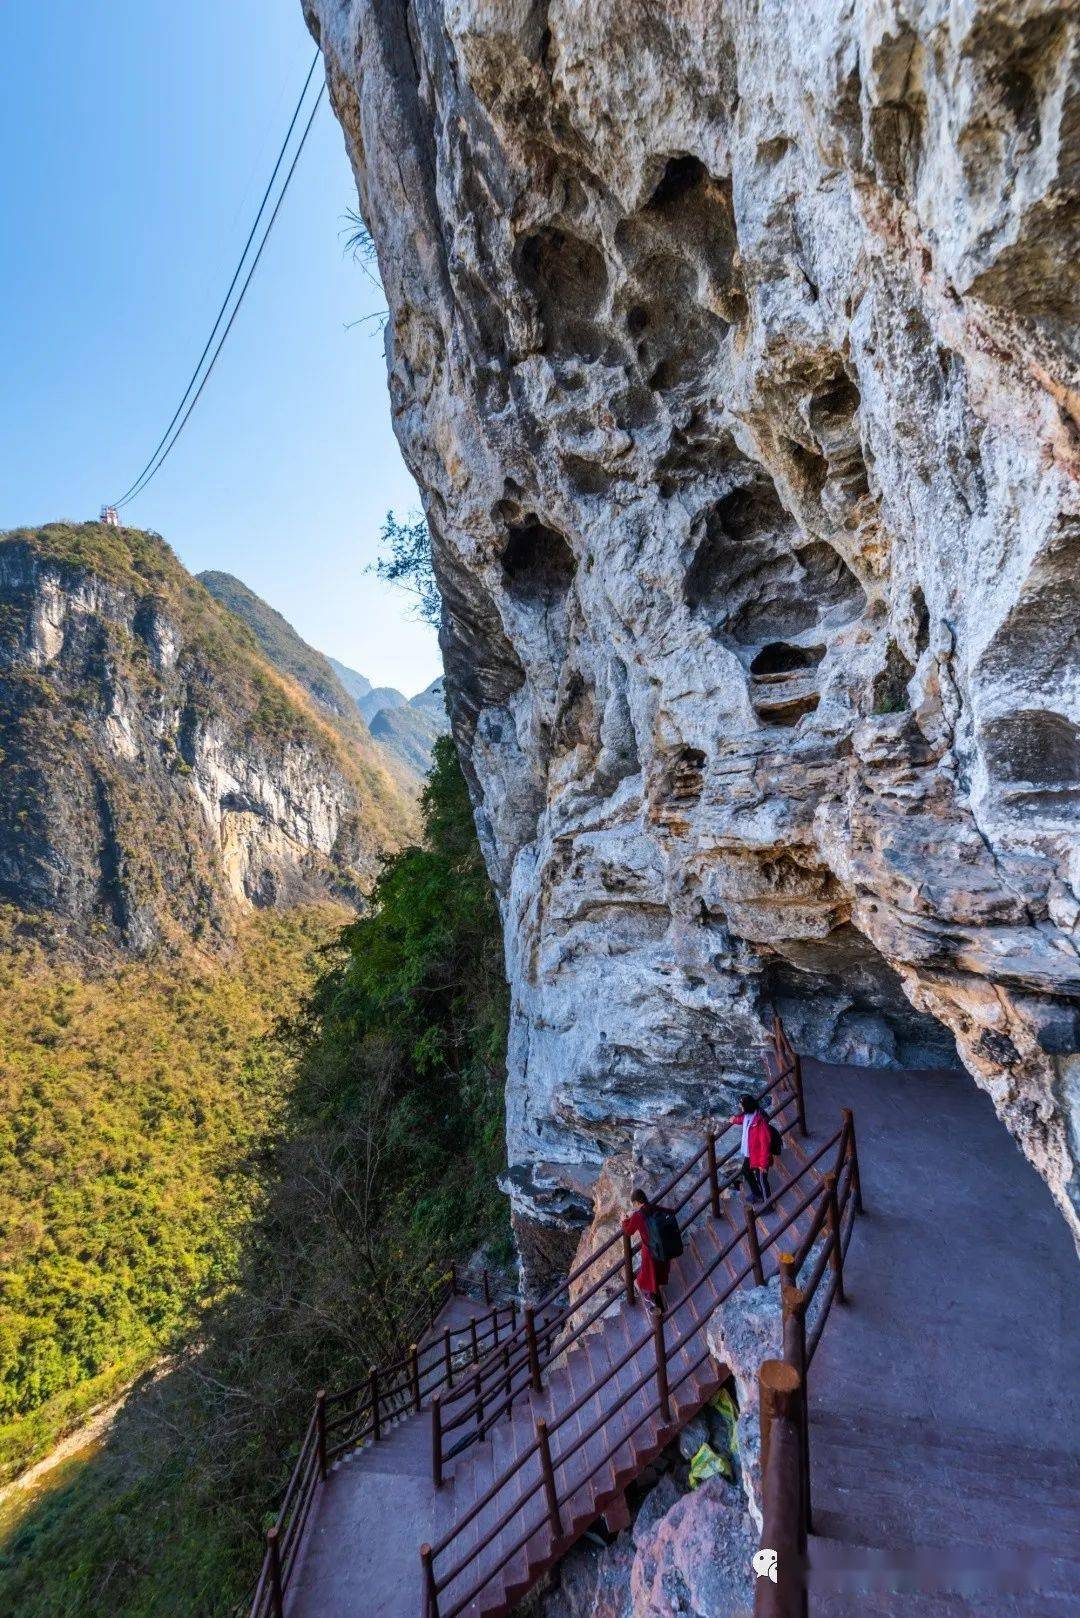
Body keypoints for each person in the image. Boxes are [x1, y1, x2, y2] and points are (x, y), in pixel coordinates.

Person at [621, 1188, 669, 1313]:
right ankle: (655, 1297)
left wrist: (625, 1220)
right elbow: (668, 1212)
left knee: (648, 1276)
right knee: (656, 1272)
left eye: (634, 1204)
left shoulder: (637, 1216)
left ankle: (657, 1305)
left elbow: (628, 1231)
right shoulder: (652, 1207)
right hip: (661, 1246)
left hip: (649, 1251)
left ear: (637, 1202)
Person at [727, 1093, 773, 1204]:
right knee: (746, 1171)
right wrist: (734, 1120)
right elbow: (743, 1119)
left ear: (747, 1107)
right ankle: (757, 1194)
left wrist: (763, 1164)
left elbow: (765, 1145)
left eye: (742, 1105)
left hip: (759, 1157)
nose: (740, 1107)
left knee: (762, 1180)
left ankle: (768, 1204)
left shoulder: (760, 1123)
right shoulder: (750, 1116)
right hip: (751, 1153)